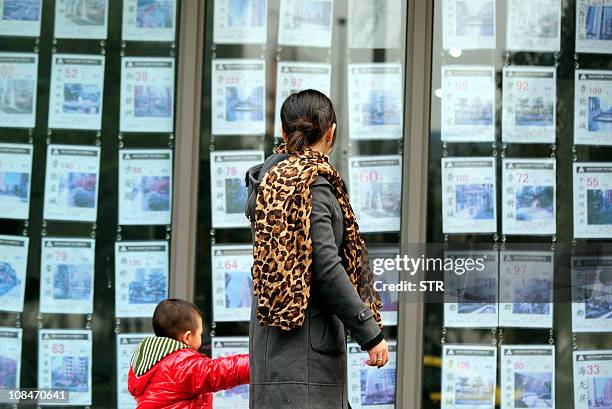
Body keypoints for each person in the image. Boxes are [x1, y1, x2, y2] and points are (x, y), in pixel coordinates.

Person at [245, 89, 389, 409]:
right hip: (307, 364)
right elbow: (325, 264)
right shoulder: (313, 184)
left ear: (284, 133)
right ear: (331, 132)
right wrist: (370, 331)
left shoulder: (268, 185)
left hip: (271, 354)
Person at [127, 298, 250, 409]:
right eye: (200, 334)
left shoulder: (150, 362)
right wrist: (255, 363)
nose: (201, 338)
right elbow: (218, 372)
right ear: (187, 337)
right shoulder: (180, 365)